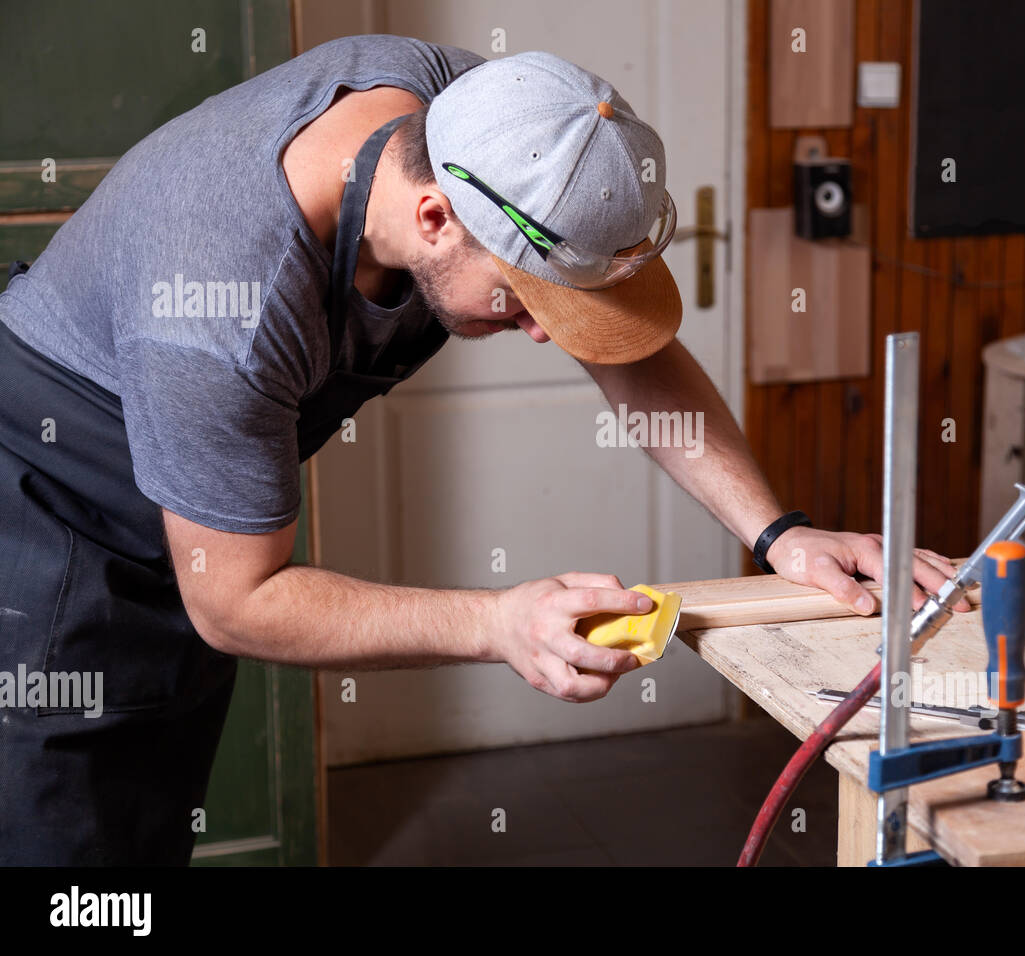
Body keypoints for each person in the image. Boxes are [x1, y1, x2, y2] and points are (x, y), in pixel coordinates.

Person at [0, 35, 964, 864]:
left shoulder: (492, 124)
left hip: (193, 491)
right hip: (60, 525)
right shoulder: (224, 305)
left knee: (147, 839)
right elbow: (237, 599)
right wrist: (498, 624)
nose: (550, 336)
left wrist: (780, 532)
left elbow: (629, 359)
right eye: (527, 303)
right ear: (434, 219)